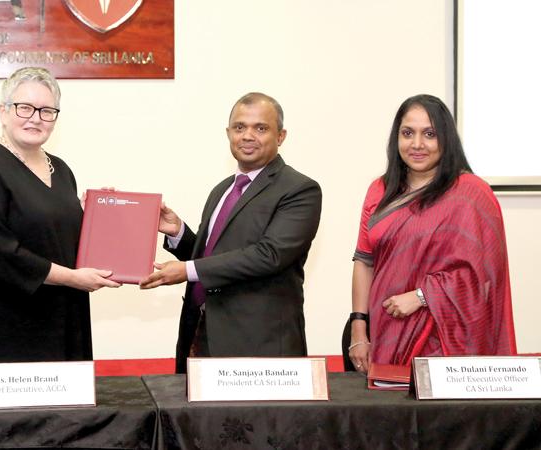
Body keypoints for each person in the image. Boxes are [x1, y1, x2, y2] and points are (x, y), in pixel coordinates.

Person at [0, 67, 120, 364]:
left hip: (59, 316)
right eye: (24, 107)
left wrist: (93, 215)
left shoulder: (61, 170)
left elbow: (52, 233)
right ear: (3, 111)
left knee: (63, 409)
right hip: (1, 326)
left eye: (47, 111)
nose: (35, 118)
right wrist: (72, 279)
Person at [140, 92, 322, 373]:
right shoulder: (222, 190)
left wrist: (186, 270)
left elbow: (269, 255)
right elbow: (213, 257)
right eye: (239, 127)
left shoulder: (299, 190)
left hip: (259, 348)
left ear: (281, 136)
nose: (248, 136)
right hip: (201, 336)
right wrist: (178, 232)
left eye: (260, 128)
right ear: (228, 133)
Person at [348, 94, 516, 373]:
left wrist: (423, 296)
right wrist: (358, 328)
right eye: (407, 133)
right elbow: (364, 261)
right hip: (385, 330)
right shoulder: (379, 190)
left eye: (429, 134)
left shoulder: (471, 193)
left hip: (445, 340)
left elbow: (485, 276)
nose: (417, 144)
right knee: (390, 413)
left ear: (446, 139)